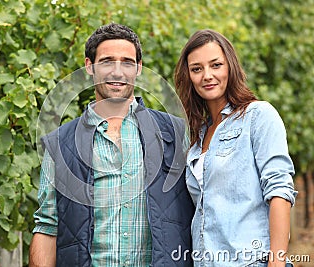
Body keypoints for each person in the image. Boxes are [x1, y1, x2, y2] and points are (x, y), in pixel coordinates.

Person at [29, 23, 195, 267]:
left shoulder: (176, 133)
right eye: (107, 61)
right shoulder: (60, 144)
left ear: (138, 68)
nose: (117, 72)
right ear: (89, 66)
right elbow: (47, 225)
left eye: (127, 62)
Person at [174, 29, 297, 267]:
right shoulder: (197, 137)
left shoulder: (258, 116)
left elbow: (280, 190)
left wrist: (277, 262)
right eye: (196, 69)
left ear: (230, 66)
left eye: (216, 65)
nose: (207, 75)